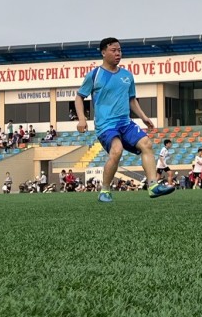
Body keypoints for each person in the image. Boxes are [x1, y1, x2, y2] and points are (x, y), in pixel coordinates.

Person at [74, 37, 175, 203]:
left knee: (146, 144)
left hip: (125, 123)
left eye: (119, 50)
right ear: (103, 52)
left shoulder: (127, 75)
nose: (118, 54)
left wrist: (143, 117)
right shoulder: (94, 75)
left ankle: (152, 186)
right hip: (106, 125)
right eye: (113, 50)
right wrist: (81, 119)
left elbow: (132, 100)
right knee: (117, 150)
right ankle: (105, 191)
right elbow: (79, 97)